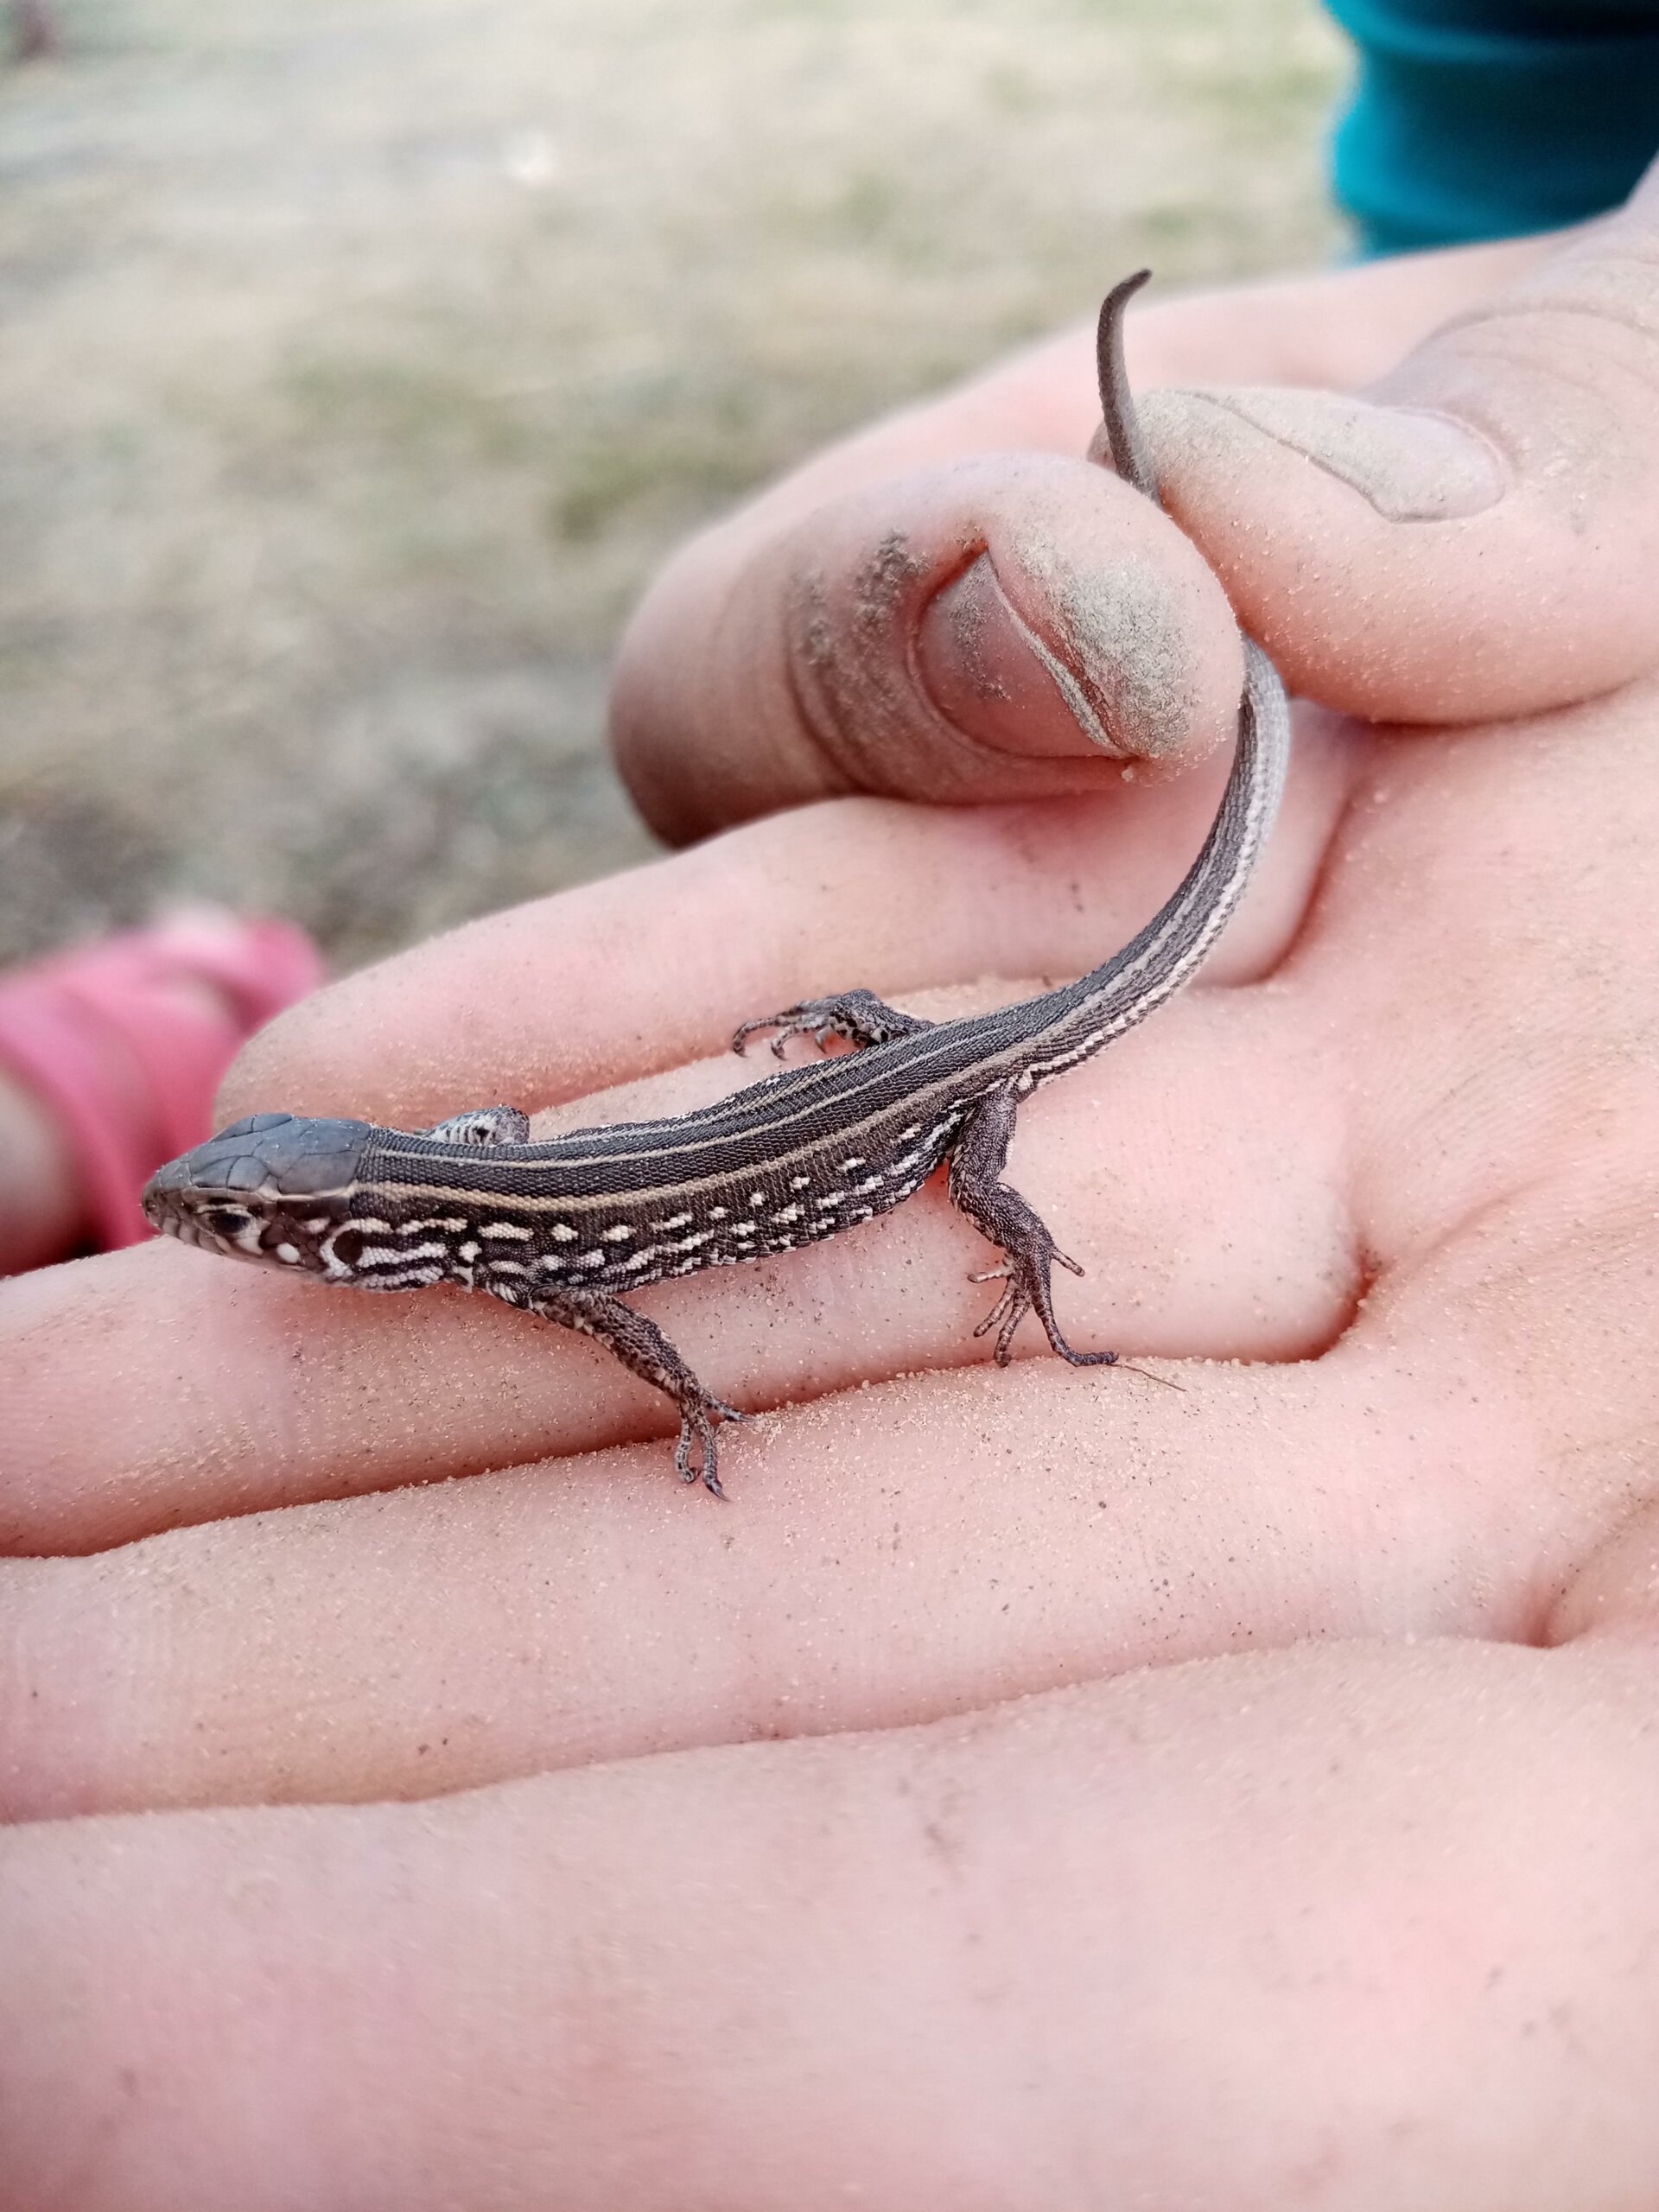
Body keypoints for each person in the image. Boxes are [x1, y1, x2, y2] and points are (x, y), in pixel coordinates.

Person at [4, 107, 1659, 2212]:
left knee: (988, 1198)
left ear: (354, 1222)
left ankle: (1038, 1281)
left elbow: (626, 1305)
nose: (221, 1238)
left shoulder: (505, 1238)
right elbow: (548, 1208)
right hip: (896, 1061)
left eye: (246, 1218)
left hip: (952, 1086)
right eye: (241, 1221)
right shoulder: (486, 1212)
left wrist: (700, 1406)